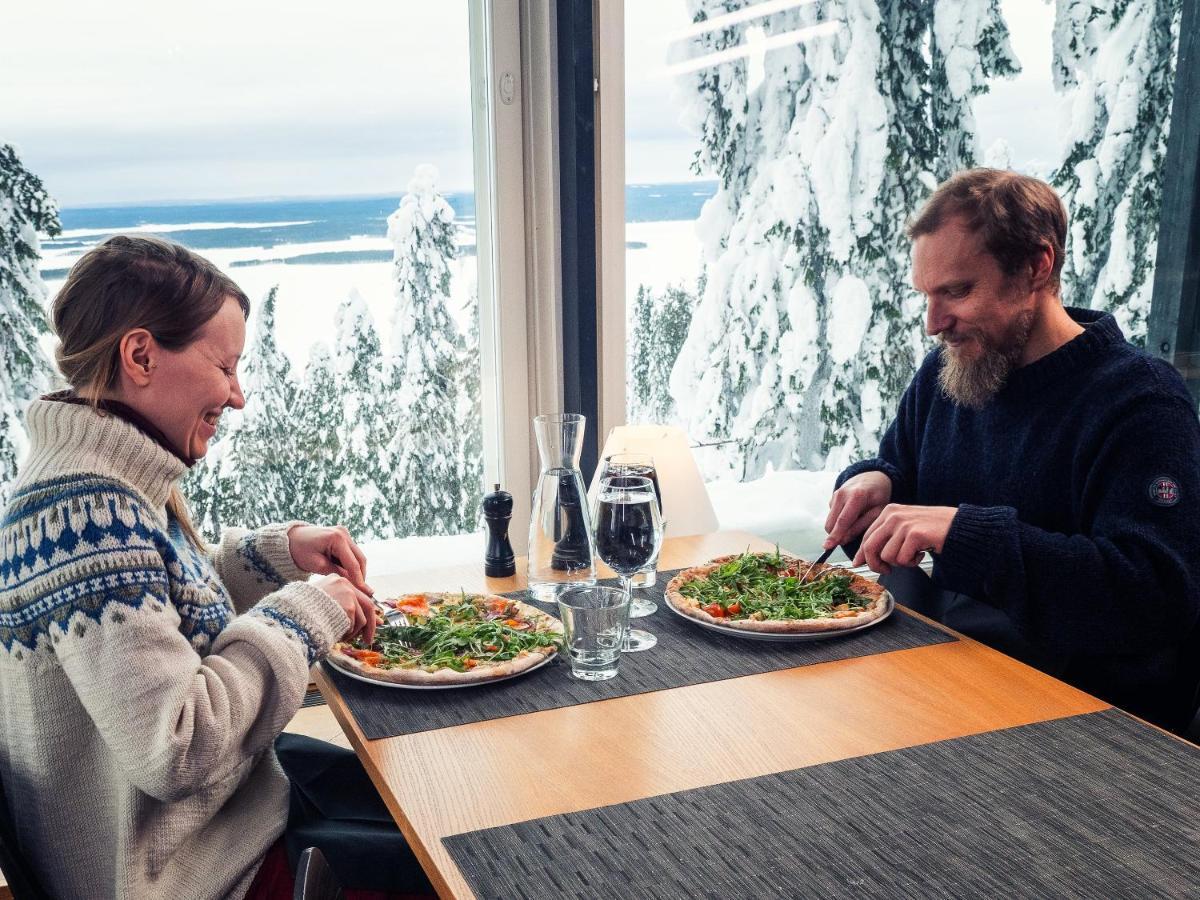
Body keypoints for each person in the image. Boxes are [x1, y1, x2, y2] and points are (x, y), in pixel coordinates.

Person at [0, 235, 431, 898]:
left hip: (211, 827)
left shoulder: (89, 486)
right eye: (225, 367)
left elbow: (157, 611)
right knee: (446, 854)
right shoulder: (88, 514)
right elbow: (178, 744)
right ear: (140, 355)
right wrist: (311, 610)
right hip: (192, 872)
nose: (237, 396)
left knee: (410, 799)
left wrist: (276, 556)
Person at [824, 168, 1200, 733]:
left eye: (957, 291)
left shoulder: (1143, 402)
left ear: (1037, 267)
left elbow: (1154, 596)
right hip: (947, 680)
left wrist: (965, 535)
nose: (933, 323)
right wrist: (877, 482)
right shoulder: (948, 372)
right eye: (927, 295)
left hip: (1081, 722)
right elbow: (903, 473)